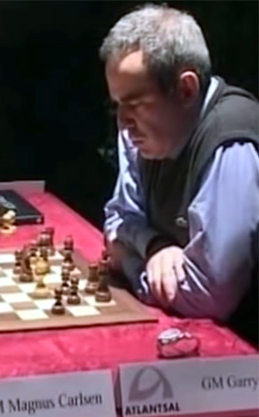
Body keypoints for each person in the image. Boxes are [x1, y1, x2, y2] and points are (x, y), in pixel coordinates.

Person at [101, 4, 259, 344]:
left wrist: (130, 265)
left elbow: (210, 294)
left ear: (186, 90)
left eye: (136, 104)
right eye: (117, 105)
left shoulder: (231, 144)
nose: (123, 123)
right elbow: (117, 220)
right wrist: (155, 246)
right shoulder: (145, 135)